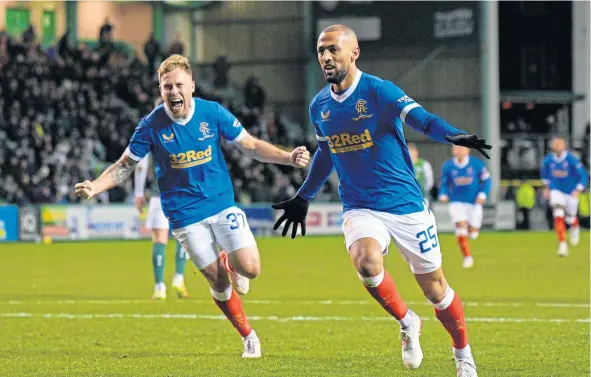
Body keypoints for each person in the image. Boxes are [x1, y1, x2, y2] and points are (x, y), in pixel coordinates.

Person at [272, 25, 490, 377]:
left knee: (437, 291)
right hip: (359, 205)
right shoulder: (319, 107)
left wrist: (453, 134)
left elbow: (422, 119)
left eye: (333, 50)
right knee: (367, 263)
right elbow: (326, 152)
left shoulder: (378, 91)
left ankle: (462, 353)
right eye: (321, 50)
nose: (326, 57)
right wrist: (303, 197)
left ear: (354, 52)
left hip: (405, 205)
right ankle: (407, 322)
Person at [75, 54, 310, 358]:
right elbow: (124, 166)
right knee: (217, 281)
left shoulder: (212, 113)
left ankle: (230, 261)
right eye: (167, 87)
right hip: (184, 215)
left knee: (251, 270)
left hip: (221, 203)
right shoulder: (150, 125)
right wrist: (94, 186)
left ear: (192, 87)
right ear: (161, 90)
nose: (173, 92)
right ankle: (248, 336)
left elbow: (250, 145)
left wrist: (287, 157)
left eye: (179, 85)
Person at [134, 151, 189, 300]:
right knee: (183, 237)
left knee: (159, 239)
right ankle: (179, 278)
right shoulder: (186, 131)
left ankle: (159, 287)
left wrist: (138, 193)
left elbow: (141, 165)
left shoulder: (152, 132)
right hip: (182, 194)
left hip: (159, 195)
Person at [438, 145, 492, 268]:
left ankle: (472, 232)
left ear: (467, 150)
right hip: (456, 201)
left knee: (473, 233)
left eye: (460, 148)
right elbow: (445, 183)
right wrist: (443, 194)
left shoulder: (477, 164)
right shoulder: (448, 166)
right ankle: (467, 257)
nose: (457, 151)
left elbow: (487, 181)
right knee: (460, 226)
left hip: (474, 203)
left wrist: (483, 194)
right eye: (455, 148)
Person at [541, 137, 588, 256]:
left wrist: (578, 189)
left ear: (564, 146)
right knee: (558, 214)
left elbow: (583, 175)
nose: (557, 146)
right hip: (556, 191)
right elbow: (545, 176)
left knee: (570, 218)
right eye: (555, 144)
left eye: (559, 144)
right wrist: (547, 188)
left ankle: (575, 227)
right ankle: (562, 245)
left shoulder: (571, 160)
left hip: (570, 192)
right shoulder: (548, 161)